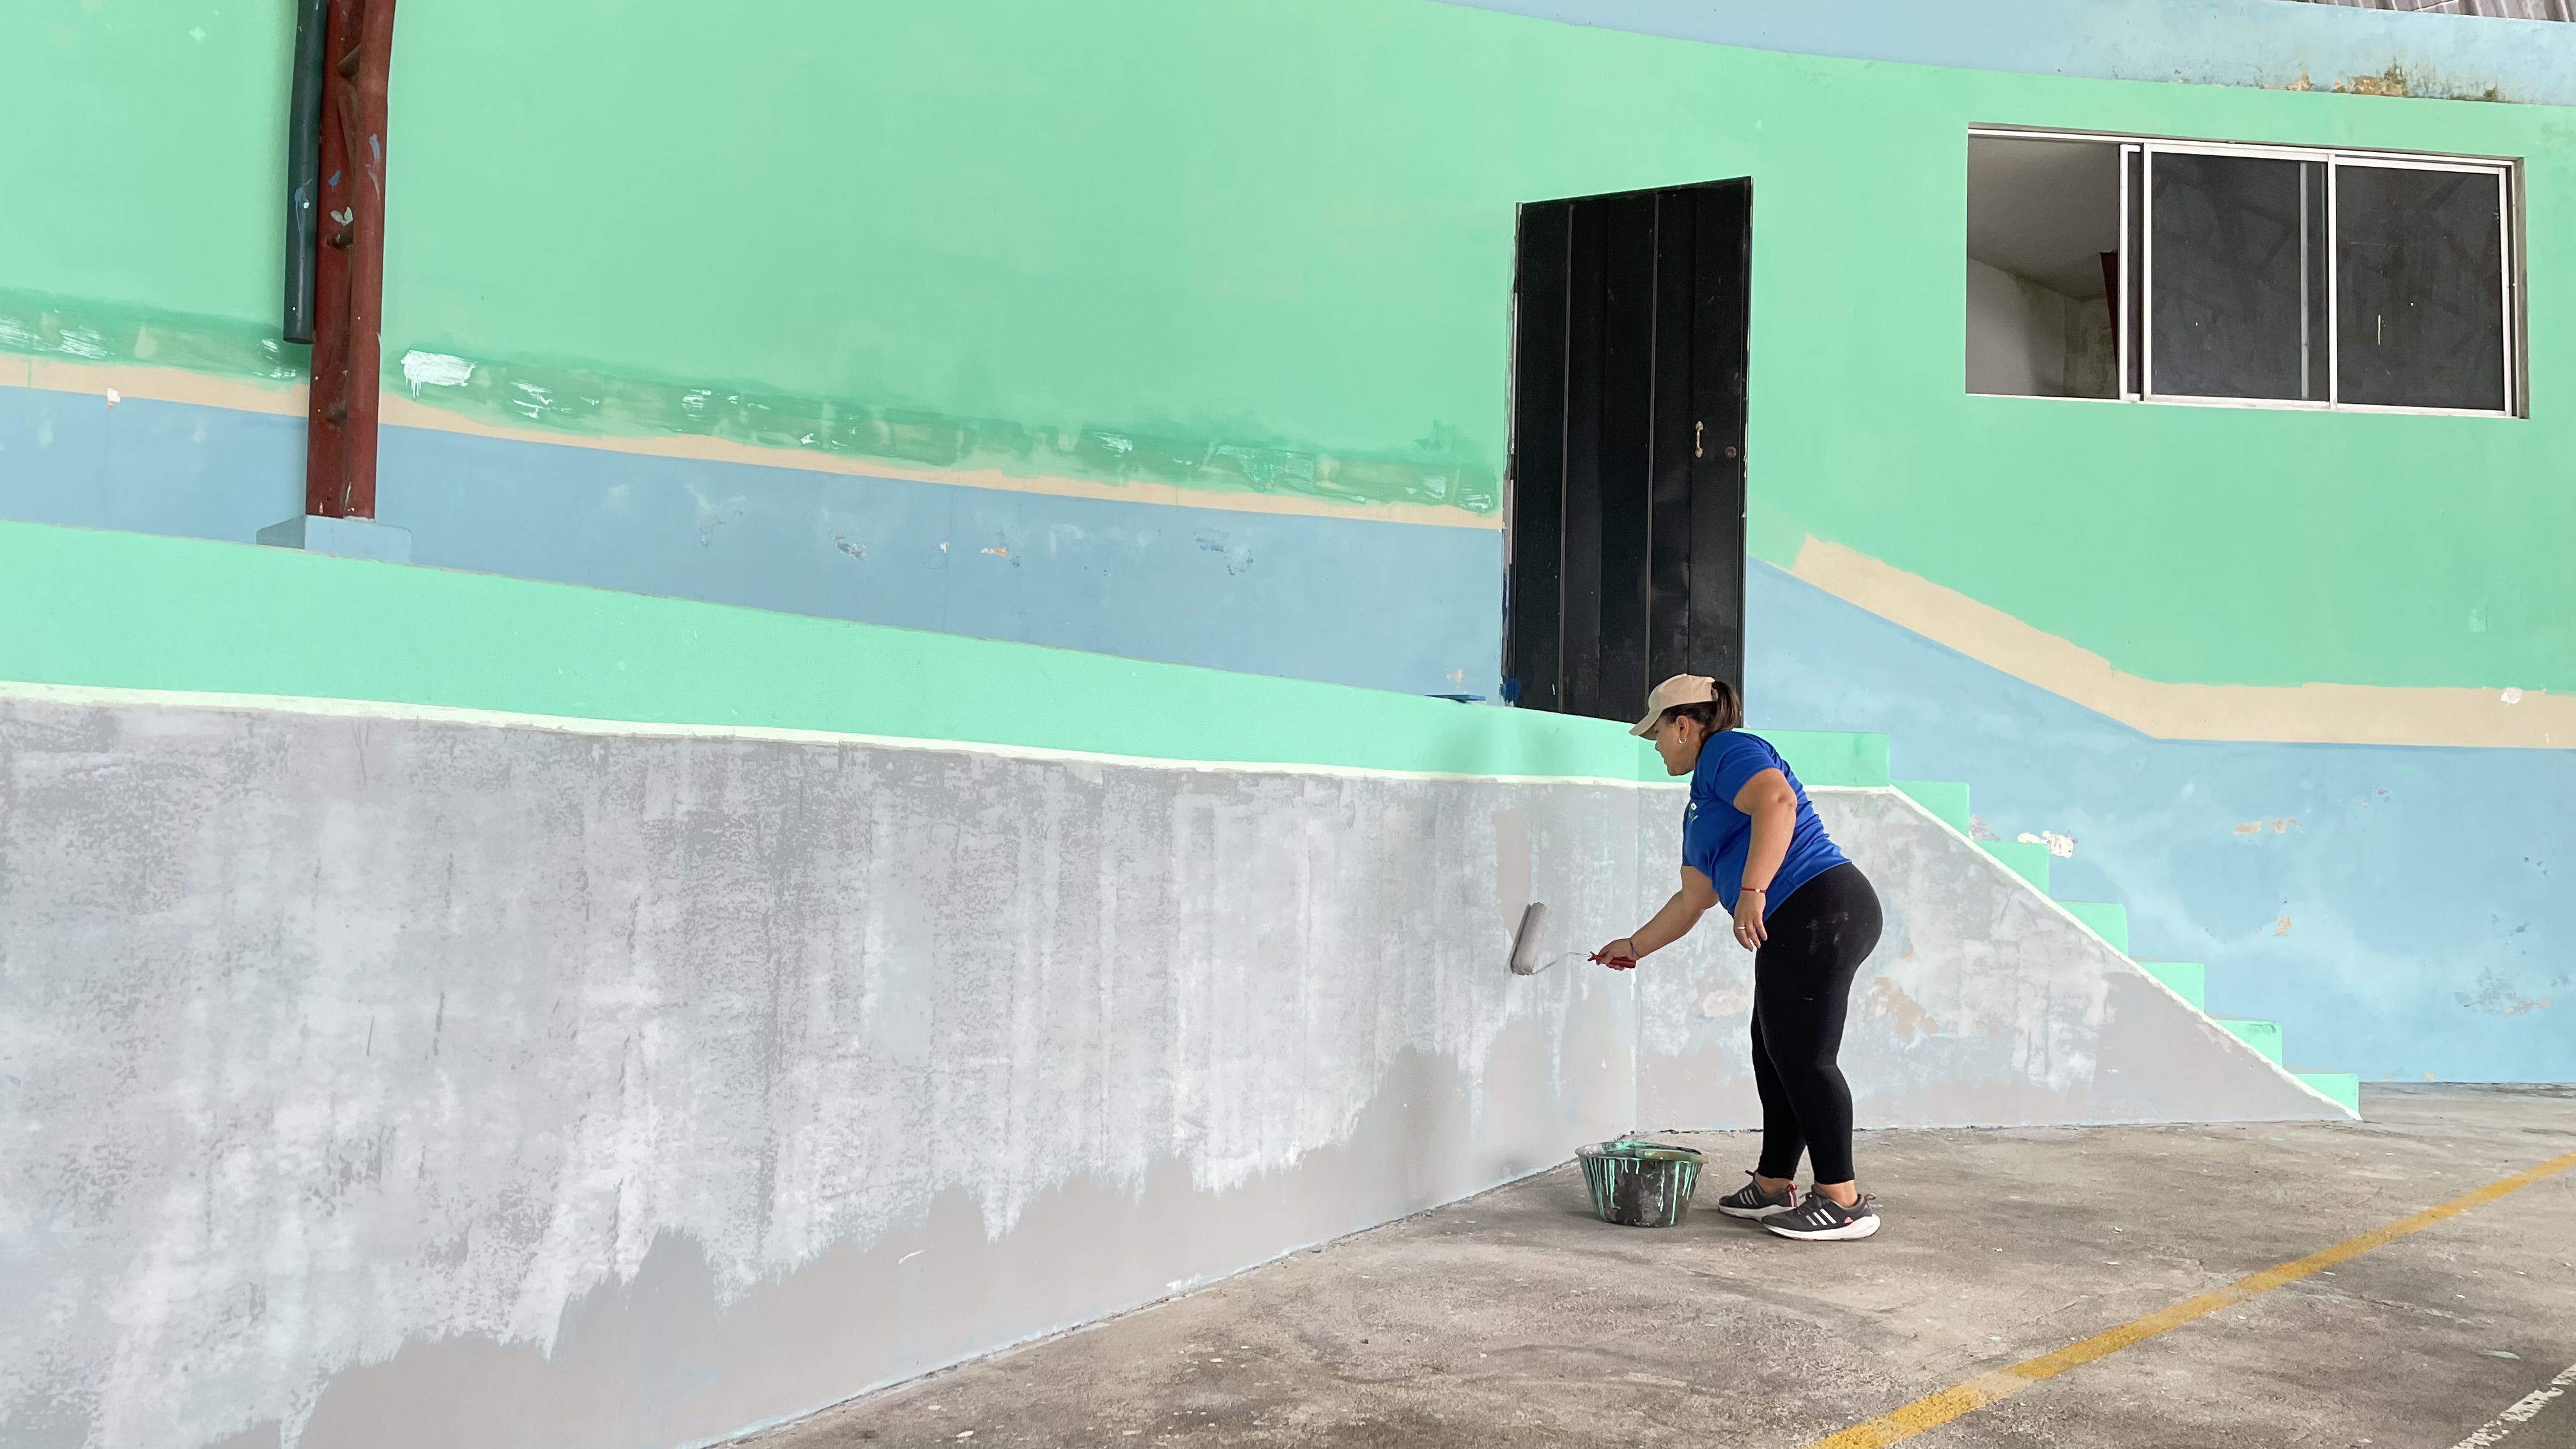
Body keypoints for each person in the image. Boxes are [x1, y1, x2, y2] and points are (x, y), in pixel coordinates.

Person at [1595, 675, 1887, 1242]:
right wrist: (1633, 947)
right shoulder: (1701, 804)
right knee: (1774, 1051)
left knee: (1805, 1058)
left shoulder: (1728, 749)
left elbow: (1777, 801)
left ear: (1684, 726)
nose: (1656, 747)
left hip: (1820, 906)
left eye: (1658, 735)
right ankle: (1772, 1184)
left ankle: (1843, 1201)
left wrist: (1753, 891)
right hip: (1799, 918)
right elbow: (1693, 899)